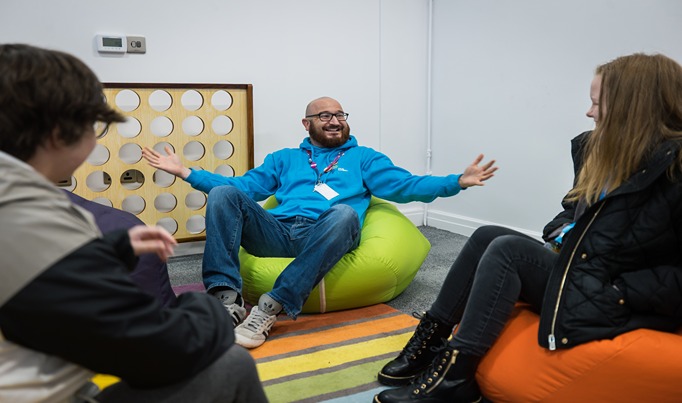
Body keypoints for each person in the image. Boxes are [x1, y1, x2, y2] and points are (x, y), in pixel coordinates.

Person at [373, 52, 682, 403]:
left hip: (615, 293)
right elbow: (570, 212)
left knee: (509, 252)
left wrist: (620, 290)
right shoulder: (598, 152)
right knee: (487, 235)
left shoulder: (675, 170)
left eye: (597, 103)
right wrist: (564, 231)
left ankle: (455, 376)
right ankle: (430, 340)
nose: (589, 112)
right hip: (583, 272)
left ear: (634, 108)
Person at [0, 43, 267, 403]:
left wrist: (109, 249)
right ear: (59, 132)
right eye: (92, 124)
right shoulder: (33, 219)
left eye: (339, 114)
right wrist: (214, 312)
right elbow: (160, 348)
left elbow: (41, 272)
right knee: (229, 363)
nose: (333, 120)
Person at [142, 96, 498, 349]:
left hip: (327, 231)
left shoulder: (363, 158)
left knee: (344, 213)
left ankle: (270, 307)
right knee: (222, 195)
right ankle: (226, 300)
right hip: (278, 232)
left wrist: (456, 182)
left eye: (340, 114)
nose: (334, 120)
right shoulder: (283, 158)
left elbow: (406, 186)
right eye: (324, 115)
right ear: (307, 123)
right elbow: (244, 188)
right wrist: (187, 172)